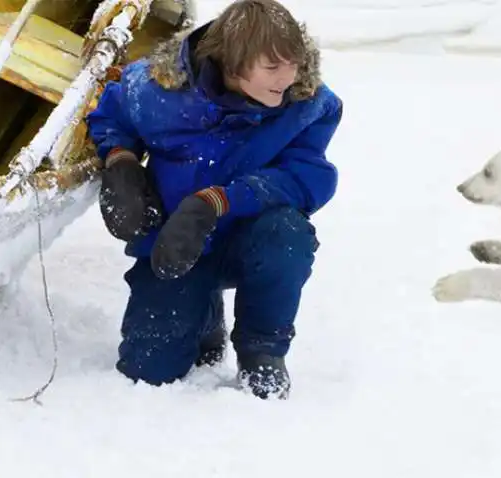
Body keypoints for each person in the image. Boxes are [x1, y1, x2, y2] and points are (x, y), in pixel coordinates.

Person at [85, 0, 342, 399]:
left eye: (293, 62)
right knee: (149, 369)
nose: (288, 77)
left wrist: (220, 200)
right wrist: (120, 161)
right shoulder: (156, 87)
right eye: (272, 66)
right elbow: (111, 114)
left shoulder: (308, 106)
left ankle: (262, 350)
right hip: (175, 241)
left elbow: (308, 176)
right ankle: (204, 318)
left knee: (288, 235)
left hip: (249, 237)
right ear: (234, 63)